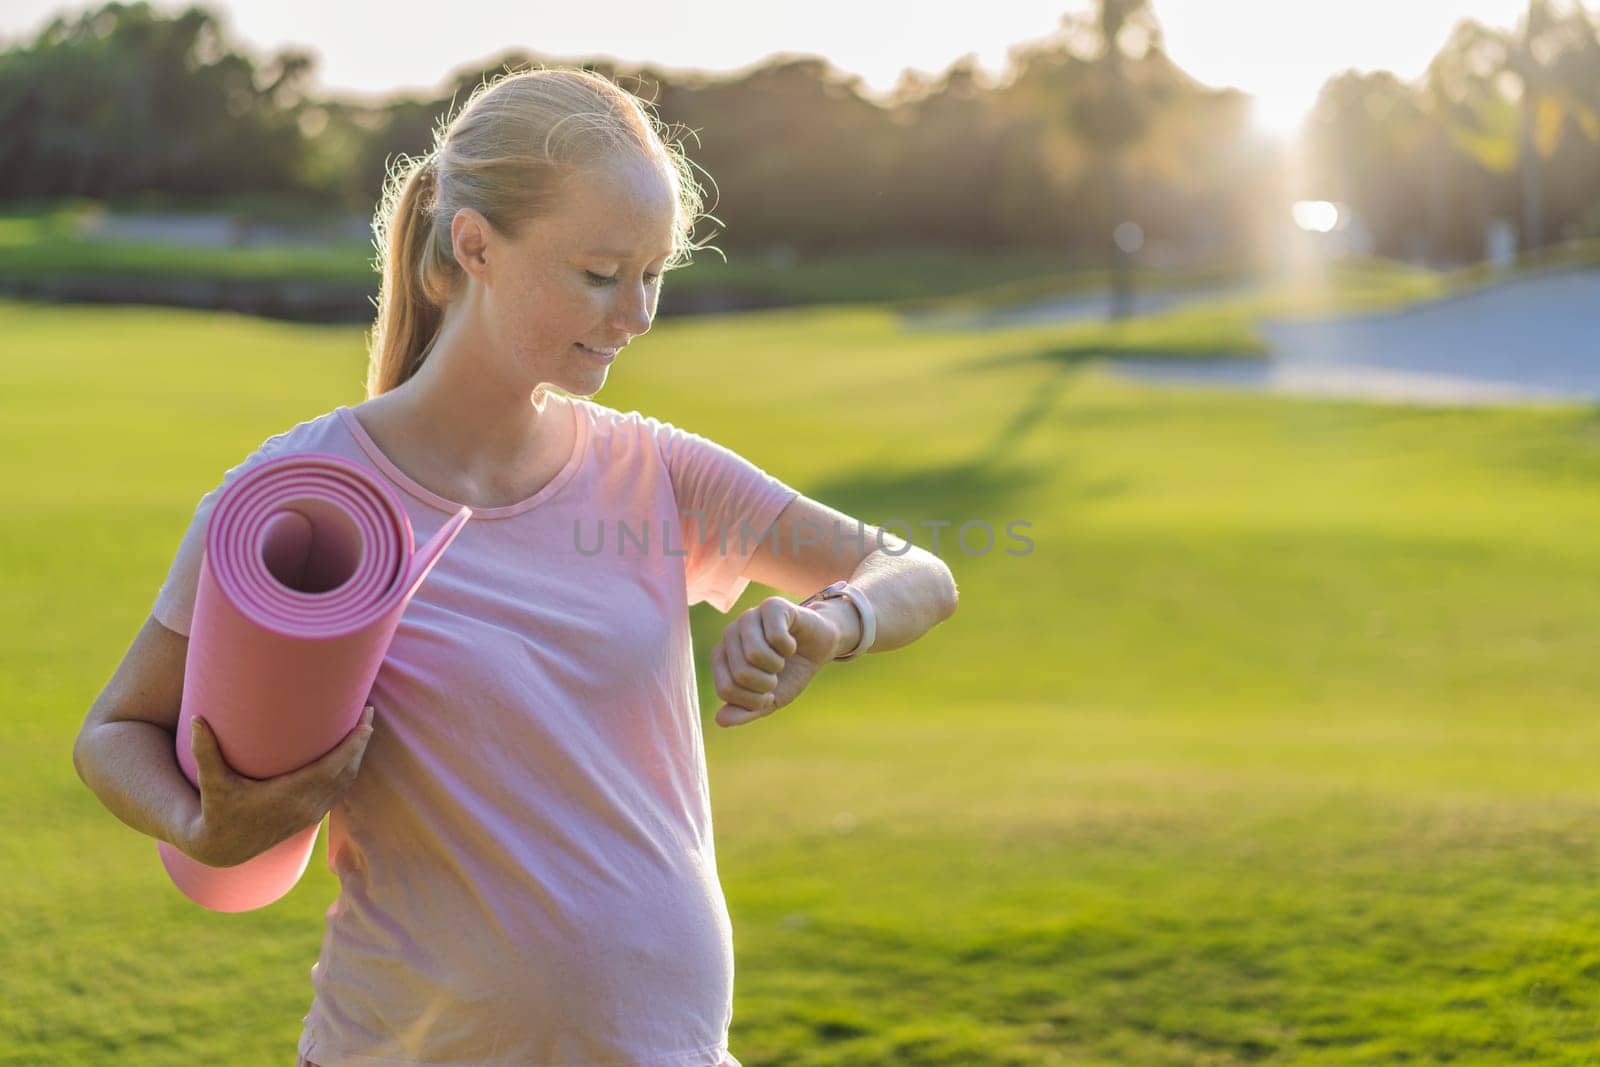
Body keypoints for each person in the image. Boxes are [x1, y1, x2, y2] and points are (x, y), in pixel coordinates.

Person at [72, 66, 958, 1067]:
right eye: (599, 272)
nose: (636, 313)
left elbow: (916, 572)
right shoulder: (300, 494)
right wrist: (203, 824)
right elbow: (113, 730)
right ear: (475, 245)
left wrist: (829, 620)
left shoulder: (657, 471)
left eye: (654, 273)